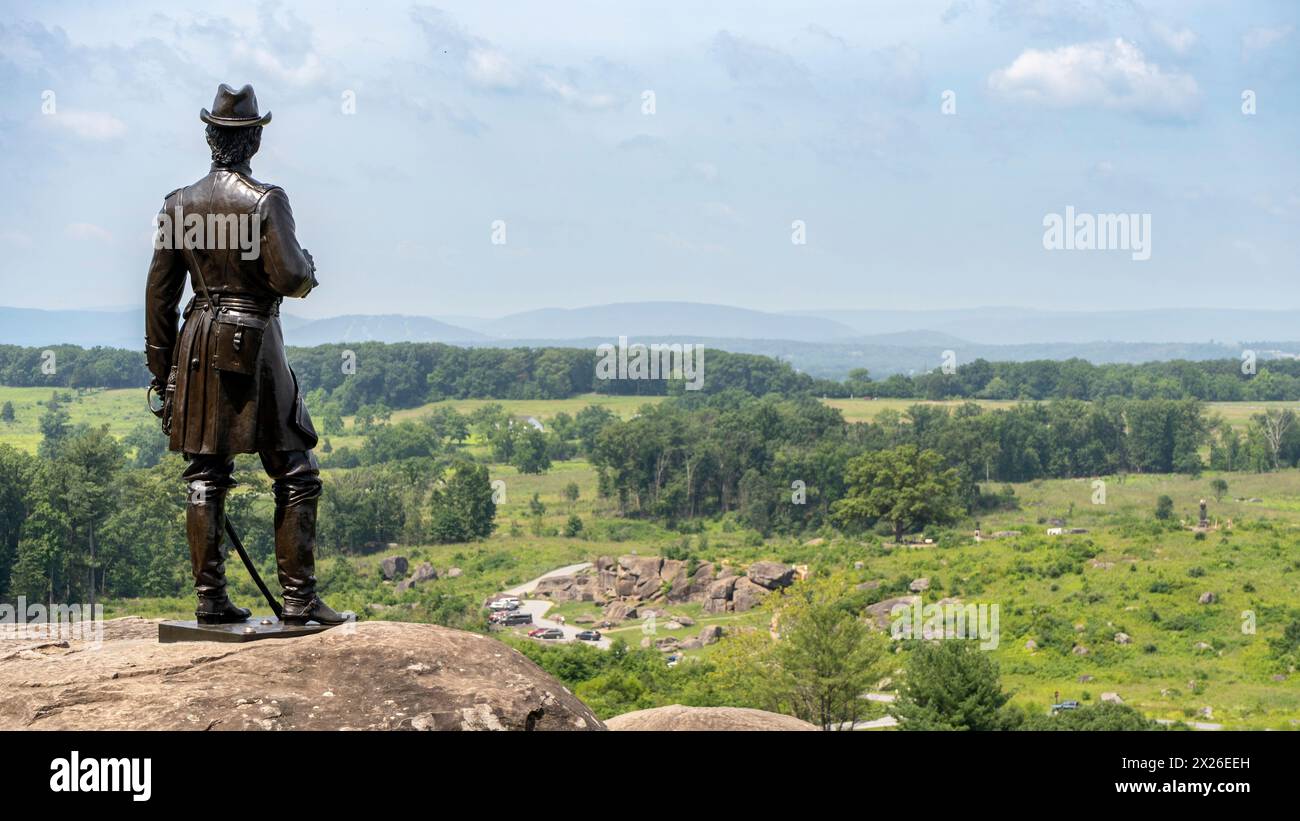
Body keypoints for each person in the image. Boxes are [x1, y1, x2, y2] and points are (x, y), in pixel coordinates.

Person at [145, 84, 347, 626]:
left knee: (205, 472)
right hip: (253, 342)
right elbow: (292, 277)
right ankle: (300, 600)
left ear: (211, 137)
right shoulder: (265, 201)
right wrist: (307, 265)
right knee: (295, 469)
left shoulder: (177, 204)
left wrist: (162, 377)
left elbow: (160, 298)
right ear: (253, 139)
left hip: (195, 342)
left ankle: (210, 601)